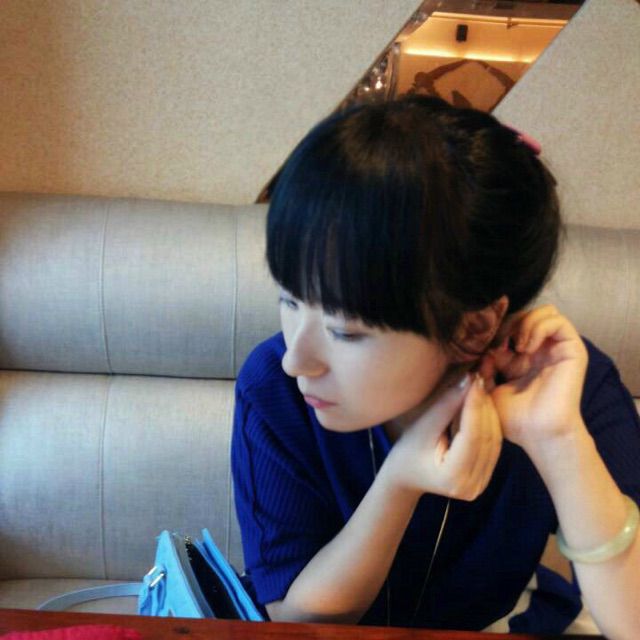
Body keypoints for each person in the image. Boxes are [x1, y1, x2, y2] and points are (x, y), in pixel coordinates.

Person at [231, 95, 640, 637]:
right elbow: (294, 617)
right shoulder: (274, 390)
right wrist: (400, 481)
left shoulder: (564, 387)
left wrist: (558, 438)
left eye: (345, 331)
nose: (295, 360)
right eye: (289, 300)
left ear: (473, 328)